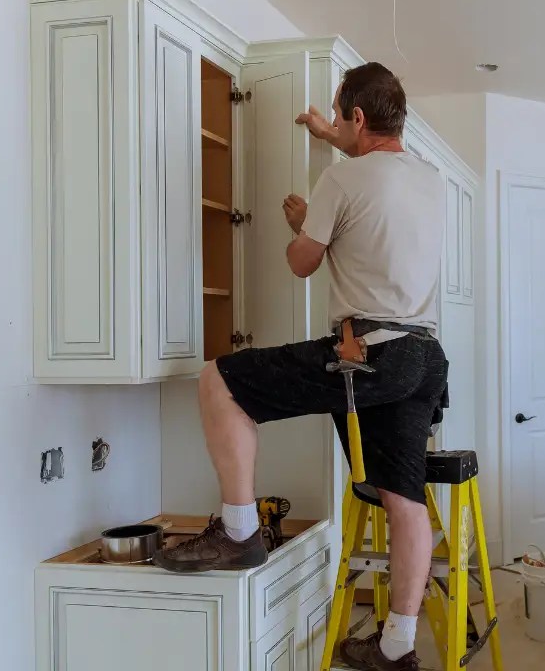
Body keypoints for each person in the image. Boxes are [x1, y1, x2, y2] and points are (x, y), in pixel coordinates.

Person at [154, 61, 448, 671]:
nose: (336, 123)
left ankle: (239, 533)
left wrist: (300, 224)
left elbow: (301, 263)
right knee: (404, 499)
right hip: (423, 356)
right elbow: (376, 186)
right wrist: (328, 132)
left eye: (341, 113)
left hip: (368, 351)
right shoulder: (428, 177)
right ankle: (396, 648)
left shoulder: (342, 182)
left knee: (220, 379)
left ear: (358, 116)